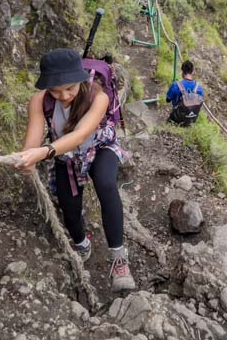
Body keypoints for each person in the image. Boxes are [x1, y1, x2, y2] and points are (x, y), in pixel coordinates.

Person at [13, 48, 135, 292]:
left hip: (100, 146)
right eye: (55, 91)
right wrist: (28, 159)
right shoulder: (40, 101)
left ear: (81, 79)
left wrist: (43, 152)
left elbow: (80, 135)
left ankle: (119, 259)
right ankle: (81, 244)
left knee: (106, 184)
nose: (64, 96)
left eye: (70, 88)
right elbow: (32, 142)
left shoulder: (98, 97)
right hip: (64, 155)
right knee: (69, 208)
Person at [166, 60, 204, 126]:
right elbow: (200, 102)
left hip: (176, 119)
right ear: (193, 72)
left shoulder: (176, 85)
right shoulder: (199, 87)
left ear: (182, 71)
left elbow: (168, 100)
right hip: (191, 120)